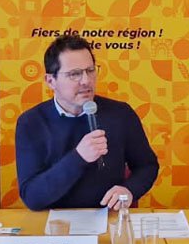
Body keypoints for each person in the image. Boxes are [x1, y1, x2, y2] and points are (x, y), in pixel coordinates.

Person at [15, 35, 159, 210]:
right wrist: (79, 157)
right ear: (51, 81)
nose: (86, 81)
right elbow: (32, 197)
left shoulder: (121, 114)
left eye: (90, 70)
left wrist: (129, 190)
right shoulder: (31, 122)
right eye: (74, 74)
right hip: (55, 221)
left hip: (108, 216)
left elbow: (147, 166)